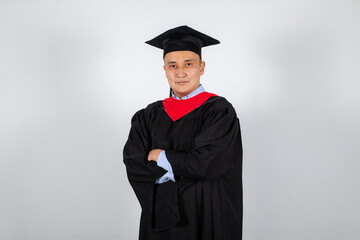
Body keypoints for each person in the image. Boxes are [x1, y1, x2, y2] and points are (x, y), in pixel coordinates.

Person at [123, 25, 243, 240]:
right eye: (173, 65)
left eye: (188, 64)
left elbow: (210, 162)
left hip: (206, 214)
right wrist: (186, 168)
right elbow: (134, 163)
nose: (180, 72)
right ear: (165, 70)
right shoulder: (148, 115)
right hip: (161, 218)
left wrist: (161, 157)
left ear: (202, 67)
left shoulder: (219, 111)